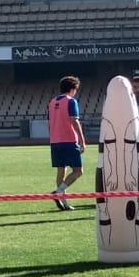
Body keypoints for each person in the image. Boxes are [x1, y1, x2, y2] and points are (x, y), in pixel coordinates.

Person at [48, 76, 86, 211]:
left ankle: (64, 202)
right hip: (69, 140)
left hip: (55, 141)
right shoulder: (71, 101)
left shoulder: (52, 102)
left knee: (61, 170)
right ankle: (58, 192)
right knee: (78, 171)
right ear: (73, 89)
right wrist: (82, 140)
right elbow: (74, 121)